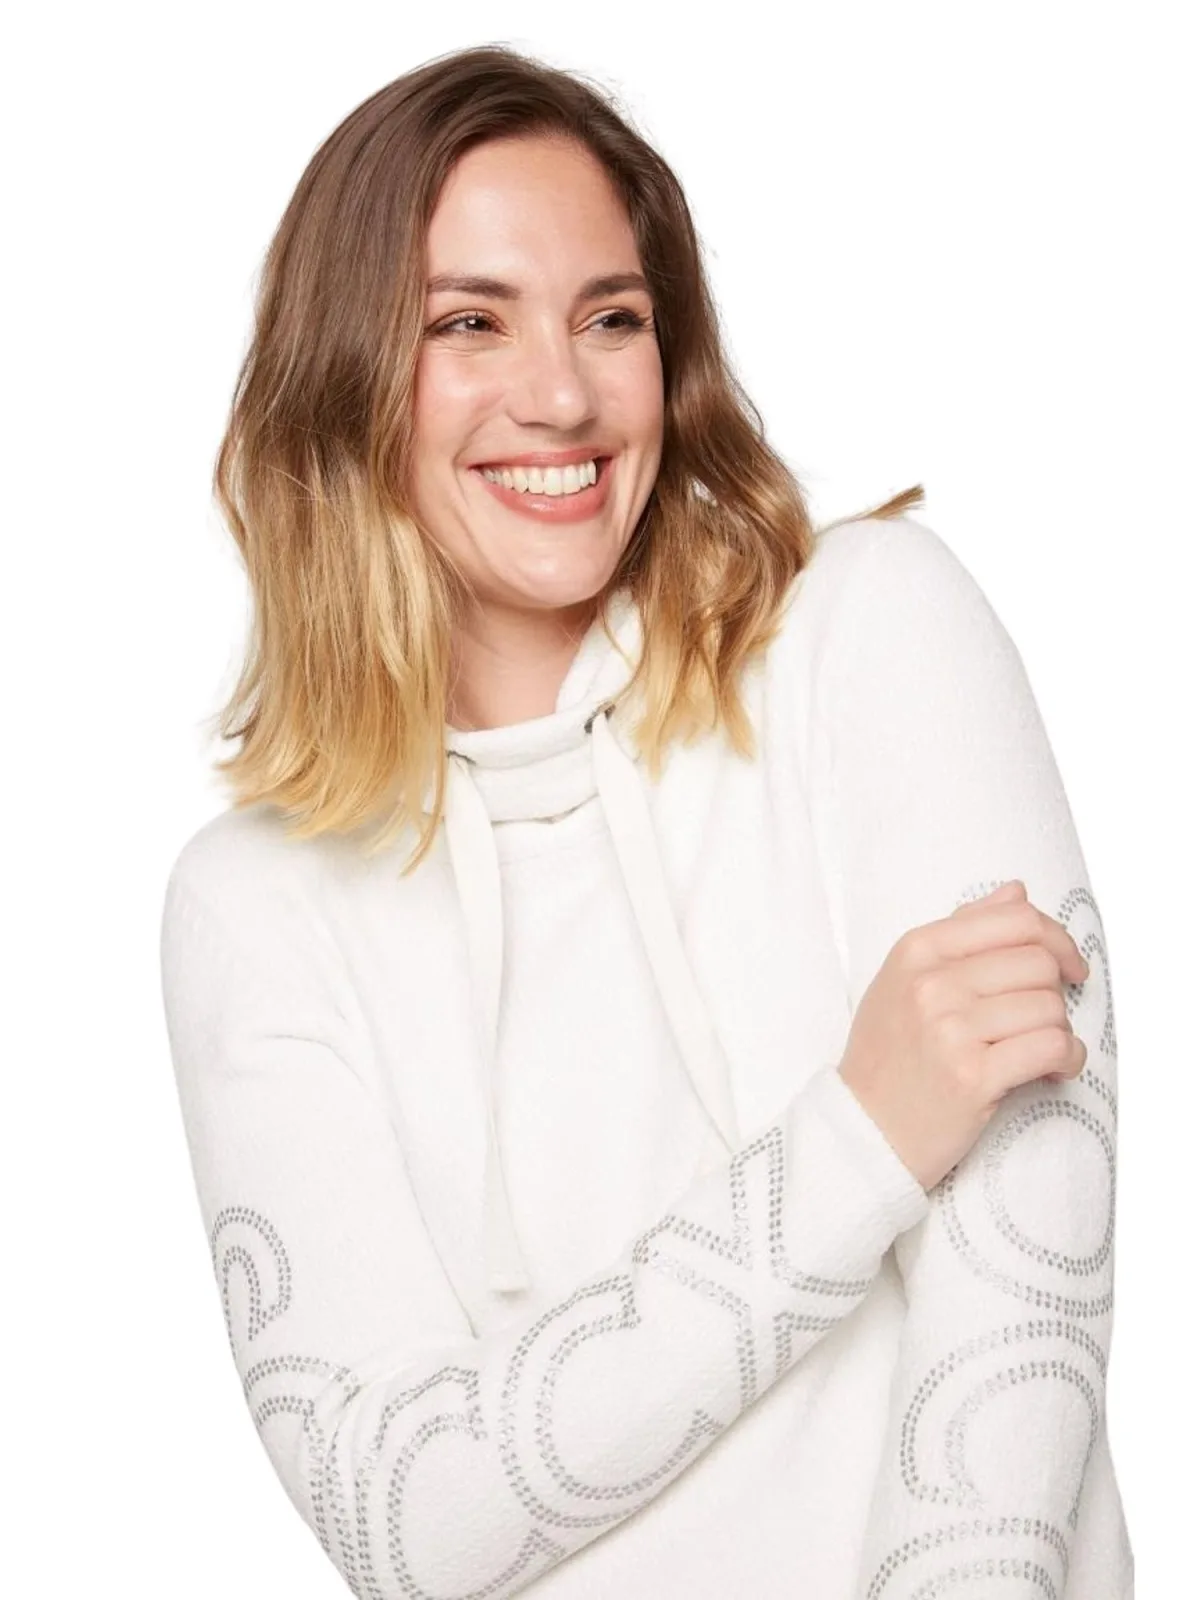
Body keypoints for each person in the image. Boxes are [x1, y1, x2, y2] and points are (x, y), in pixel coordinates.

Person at [159, 43, 1134, 1600]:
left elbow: (1023, 1311)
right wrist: (861, 1136)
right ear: (343, 378)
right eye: (470, 323)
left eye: (611, 317)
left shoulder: (866, 635)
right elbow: (408, 1523)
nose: (562, 393)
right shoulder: (258, 901)